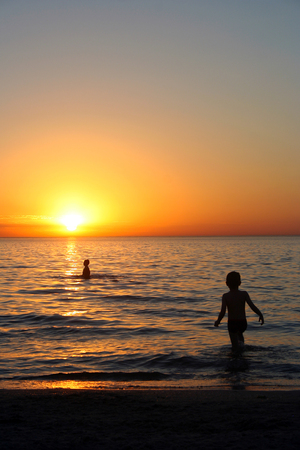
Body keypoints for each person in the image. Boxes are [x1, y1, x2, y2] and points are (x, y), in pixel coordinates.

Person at [214, 271, 264, 353]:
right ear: (240, 283)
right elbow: (252, 306)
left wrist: (218, 321)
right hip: (242, 323)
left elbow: (222, 312)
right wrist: (260, 314)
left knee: (234, 346)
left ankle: (236, 357)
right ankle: (242, 349)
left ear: (226, 283)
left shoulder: (226, 296)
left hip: (232, 323)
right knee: (240, 335)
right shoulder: (244, 294)